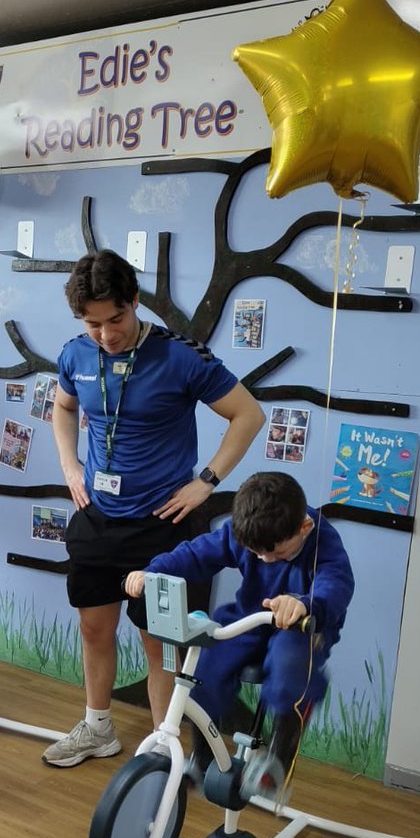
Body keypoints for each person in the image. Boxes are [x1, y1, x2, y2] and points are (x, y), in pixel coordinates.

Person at [43, 249, 265, 768]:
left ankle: (166, 750)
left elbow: (248, 415)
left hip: (163, 528)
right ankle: (98, 727)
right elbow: (63, 406)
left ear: (135, 302)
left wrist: (206, 483)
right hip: (98, 520)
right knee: (94, 628)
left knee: (160, 641)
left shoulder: (180, 356)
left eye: (115, 319)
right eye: (92, 323)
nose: (105, 334)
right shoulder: (76, 354)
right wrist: (70, 466)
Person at [124, 471, 355, 795]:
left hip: (302, 626)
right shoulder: (245, 530)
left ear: (303, 528)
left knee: (290, 666)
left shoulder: (322, 542)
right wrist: (153, 571)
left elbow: (337, 584)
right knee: (207, 666)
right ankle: (201, 760)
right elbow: (196, 554)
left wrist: (305, 603)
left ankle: (277, 759)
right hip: (252, 616)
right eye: (257, 553)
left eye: (275, 554)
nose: (264, 559)